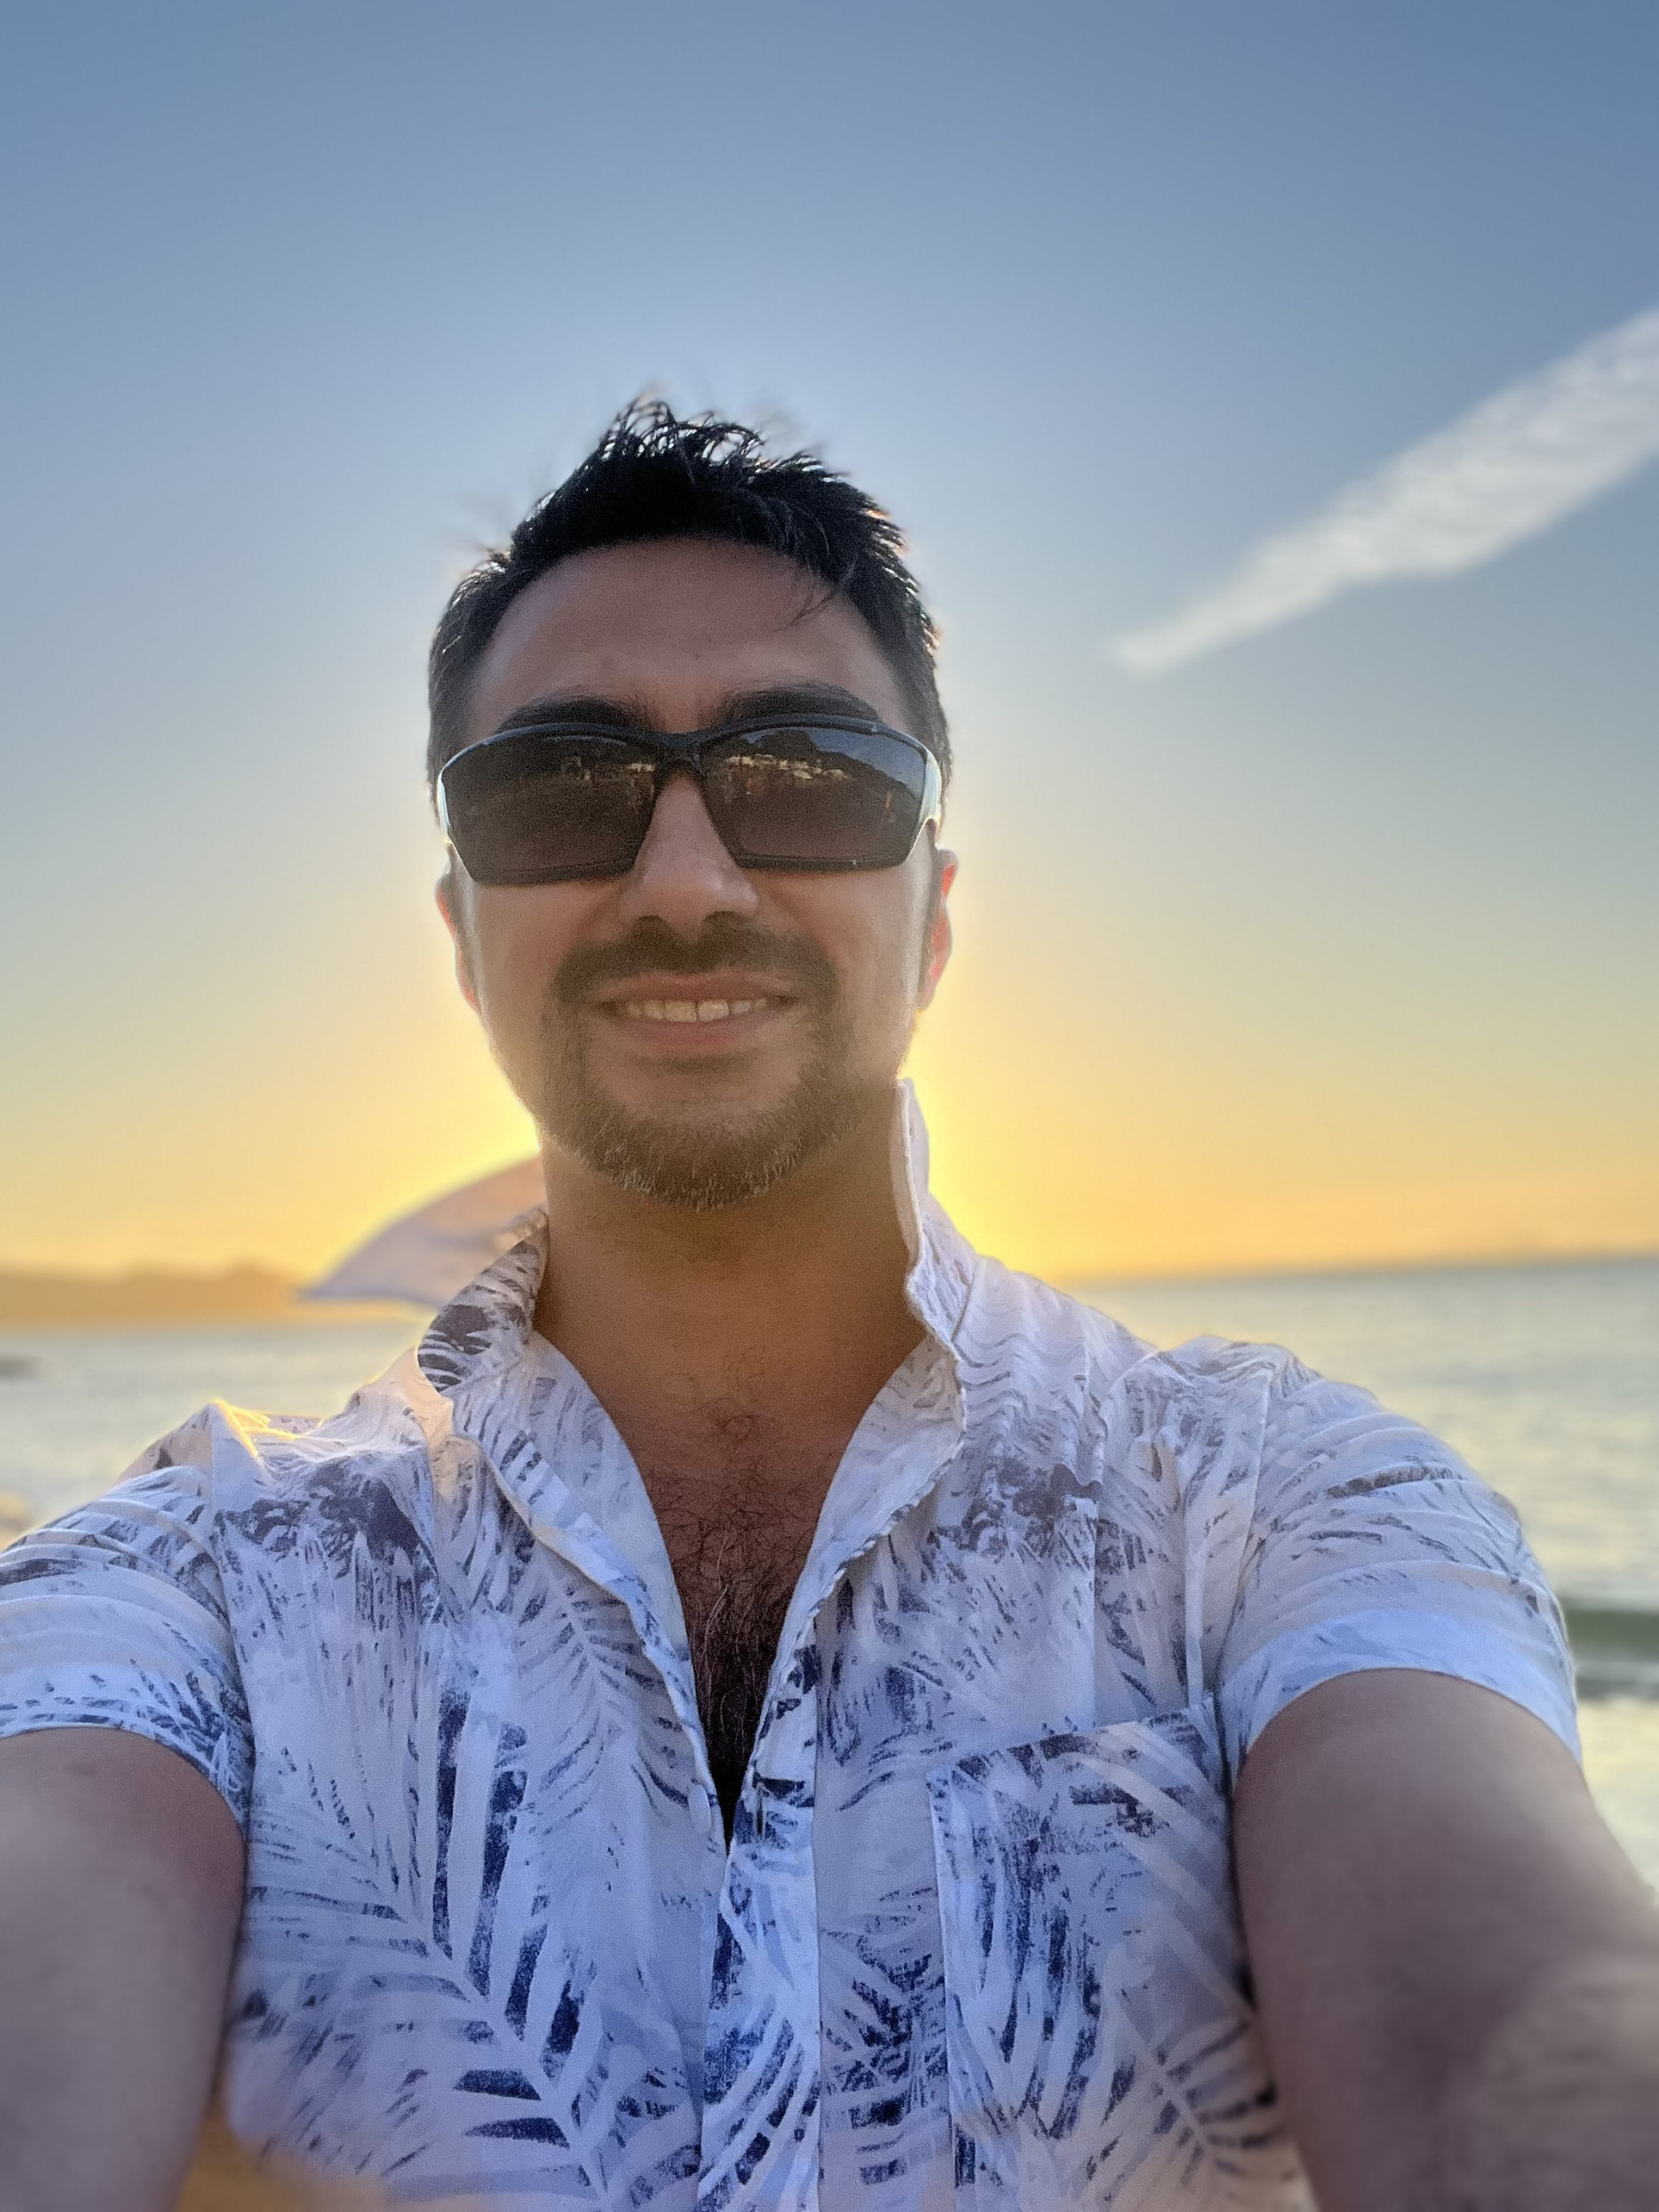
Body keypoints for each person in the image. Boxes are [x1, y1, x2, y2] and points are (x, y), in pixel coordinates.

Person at [1, 406, 1656, 2212]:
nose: (686, 881)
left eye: (806, 777)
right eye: (557, 788)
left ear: (932, 915)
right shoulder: (194, 1577)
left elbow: (1521, 2018)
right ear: (461, 929)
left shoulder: (1279, 1506)